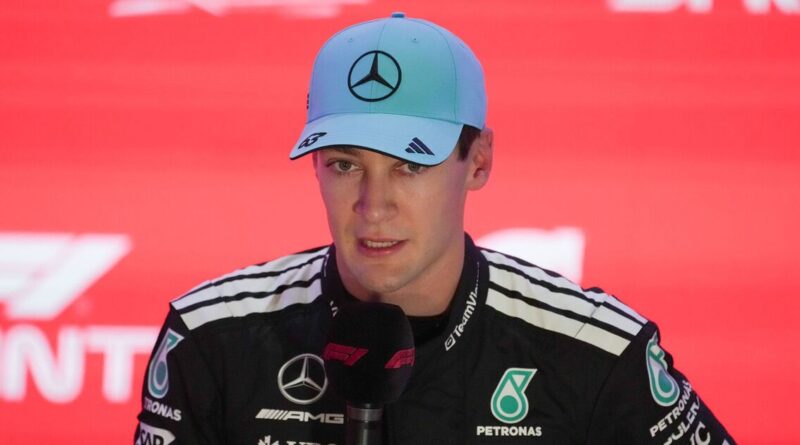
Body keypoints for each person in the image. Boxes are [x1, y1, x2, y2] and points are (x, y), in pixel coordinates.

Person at [135, 12, 735, 445]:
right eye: (345, 165)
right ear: (314, 166)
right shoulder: (211, 338)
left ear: (479, 162)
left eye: (410, 165)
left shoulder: (596, 352)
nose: (374, 206)